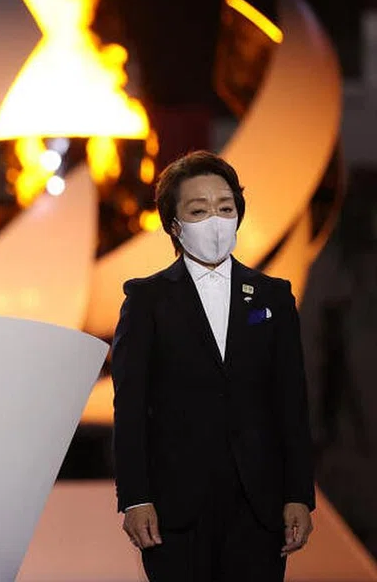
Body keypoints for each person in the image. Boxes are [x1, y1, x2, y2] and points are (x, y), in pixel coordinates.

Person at [111, 150, 315, 580]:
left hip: (259, 506)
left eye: (225, 208)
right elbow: (130, 407)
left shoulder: (273, 296)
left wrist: (299, 494)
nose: (216, 221)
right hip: (175, 508)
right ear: (174, 224)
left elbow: (292, 403)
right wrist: (135, 498)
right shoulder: (146, 299)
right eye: (198, 211)